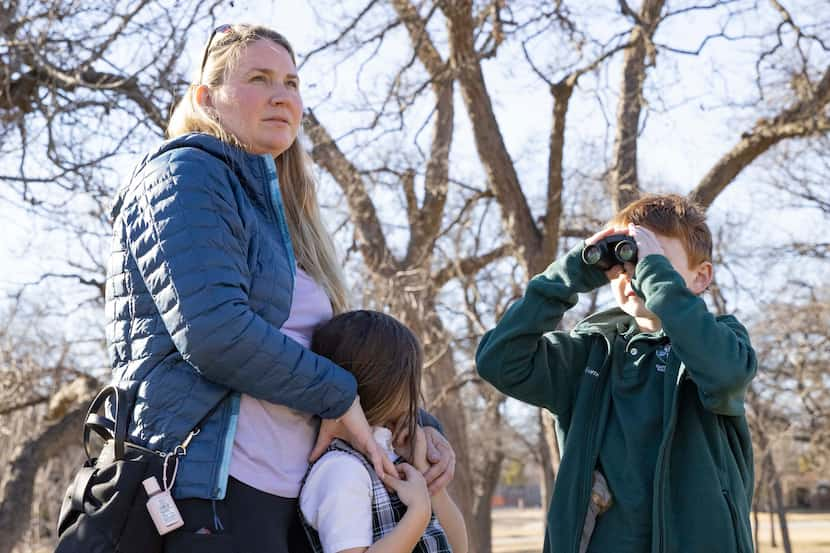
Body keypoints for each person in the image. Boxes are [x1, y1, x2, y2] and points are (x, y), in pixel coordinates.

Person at [106, 23, 454, 552]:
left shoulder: (288, 213)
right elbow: (216, 332)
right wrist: (340, 397)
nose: (280, 95)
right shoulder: (185, 174)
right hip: (211, 496)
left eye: (291, 83)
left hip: (294, 501)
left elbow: (330, 353)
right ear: (207, 98)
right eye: (259, 78)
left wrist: (414, 424)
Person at [476, 194, 757, 553]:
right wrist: (570, 274)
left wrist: (656, 277)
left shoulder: (721, 342)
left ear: (700, 277)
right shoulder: (590, 355)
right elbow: (499, 360)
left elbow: (725, 373)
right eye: (626, 263)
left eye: (653, 262)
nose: (634, 274)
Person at [300, 310, 468, 553]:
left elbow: (459, 548)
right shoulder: (342, 470)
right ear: (389, 387)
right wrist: (418, 516)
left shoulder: (395, 452)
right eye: (410, 382)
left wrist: (431, 483)